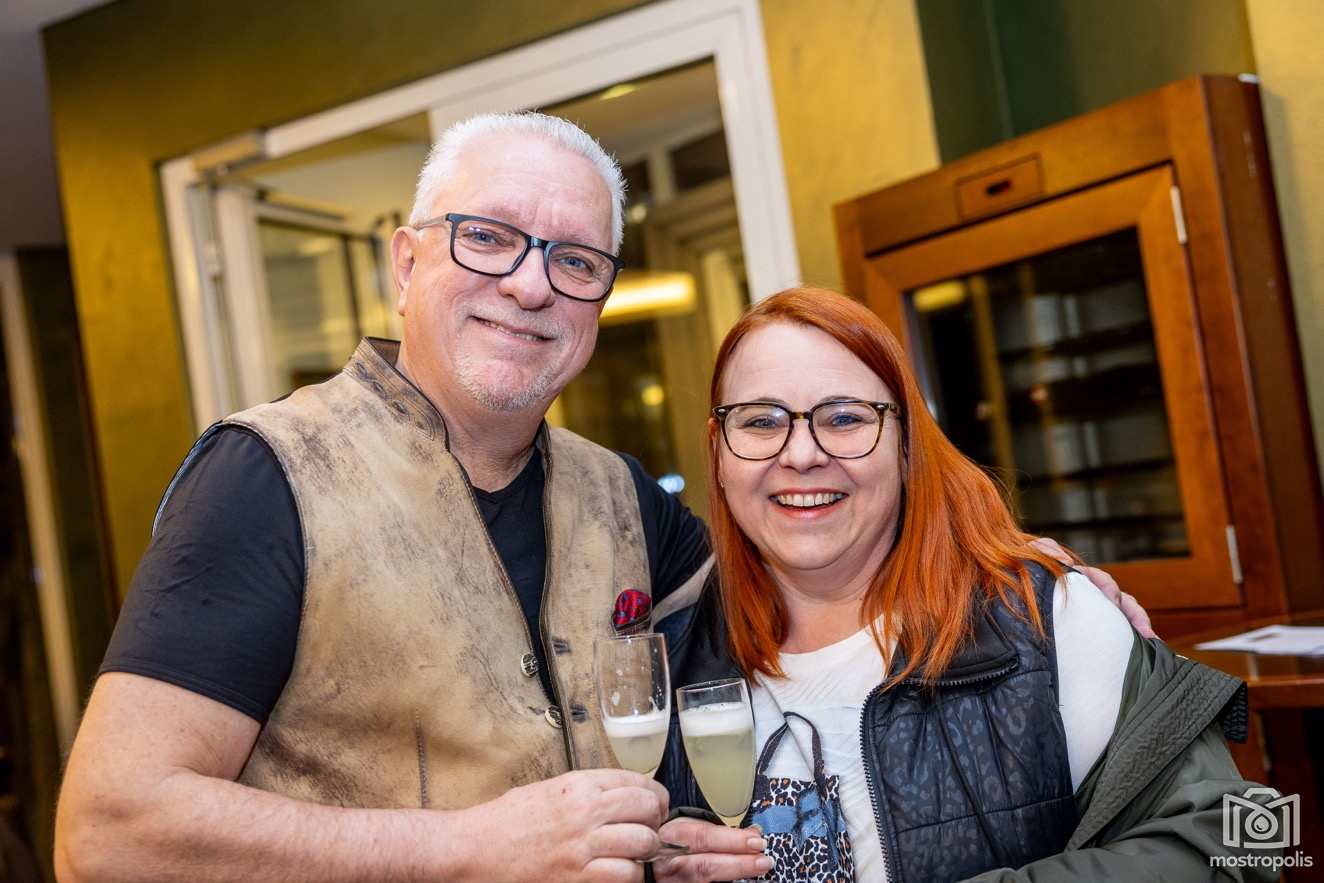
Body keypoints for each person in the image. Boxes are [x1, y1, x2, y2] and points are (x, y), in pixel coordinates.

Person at [54, 114, 1148, 883]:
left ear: (598, 300)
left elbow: (813, 544)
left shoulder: (615, 493)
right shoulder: (269, 475)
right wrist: (464, 849)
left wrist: (1009, 564)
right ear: (405, 262)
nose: (531, 283)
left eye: (575, 260)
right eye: (487, 237)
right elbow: (106, 831)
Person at [655, 287, 1278, 882]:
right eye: (761, 422)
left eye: (844, 418)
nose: (801, 454)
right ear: (718, 452)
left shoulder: (1044, 621)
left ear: (906, 445)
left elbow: (1245, 840)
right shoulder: (669, 671)